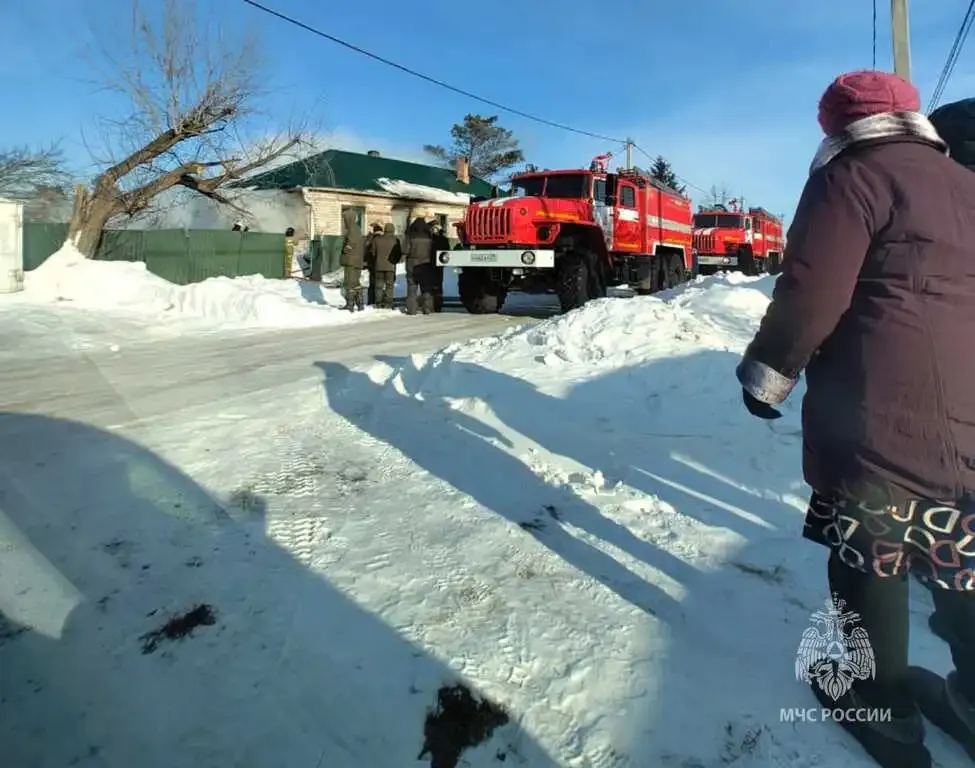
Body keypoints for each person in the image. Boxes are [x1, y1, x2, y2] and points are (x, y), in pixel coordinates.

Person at [735, 70, 975, 768]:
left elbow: (811, 293)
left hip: (878, 415)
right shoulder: (963, 181)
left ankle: (884, 711)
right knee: (959, 559)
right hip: (965, 417)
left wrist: (766, 377)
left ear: (838, 125)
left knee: (869, 562)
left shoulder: (852, 177)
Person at [402, 213, 435, 315]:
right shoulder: (429, 236)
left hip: (412, 263)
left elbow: (404, 250)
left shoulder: (410, 236)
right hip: (426, 263)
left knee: (412, 287)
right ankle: (427, 308)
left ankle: (412, 309)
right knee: (426, 287)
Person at [367, 222, 401, 309]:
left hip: (378, 266)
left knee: (379, 285)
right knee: (389, 285)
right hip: (390, 266)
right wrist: (394, 261)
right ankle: (388, 303)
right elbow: (398, 254)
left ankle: (378, 302)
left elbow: (372, 252)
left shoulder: (377, 239)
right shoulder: (395, 240)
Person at [339, 208, 365, 311]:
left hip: (351, 260)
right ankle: (360, 304)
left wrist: (345, 249)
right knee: (355, 283)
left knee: (349, 283)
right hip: (357, 260)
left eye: (345, 218)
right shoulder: (357, 228)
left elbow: (351, 243)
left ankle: (350, 304)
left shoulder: (352, 229)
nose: (344, 221)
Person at [430, 221, 450, 313]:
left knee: (433, 284)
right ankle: (437, 304)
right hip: (439, 264)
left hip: (432, 264)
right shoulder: (444, 239)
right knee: (438, 284)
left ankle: (434, 304)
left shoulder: (431, 239)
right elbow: (447, 251)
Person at [365, 222, 383, 306]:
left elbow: (367, 252)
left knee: (372, 284)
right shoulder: (383, 239)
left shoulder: (370, 239)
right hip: (381, 265)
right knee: (380, 284)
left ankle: (371, 301)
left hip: (372, 265)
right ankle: (379, 300)